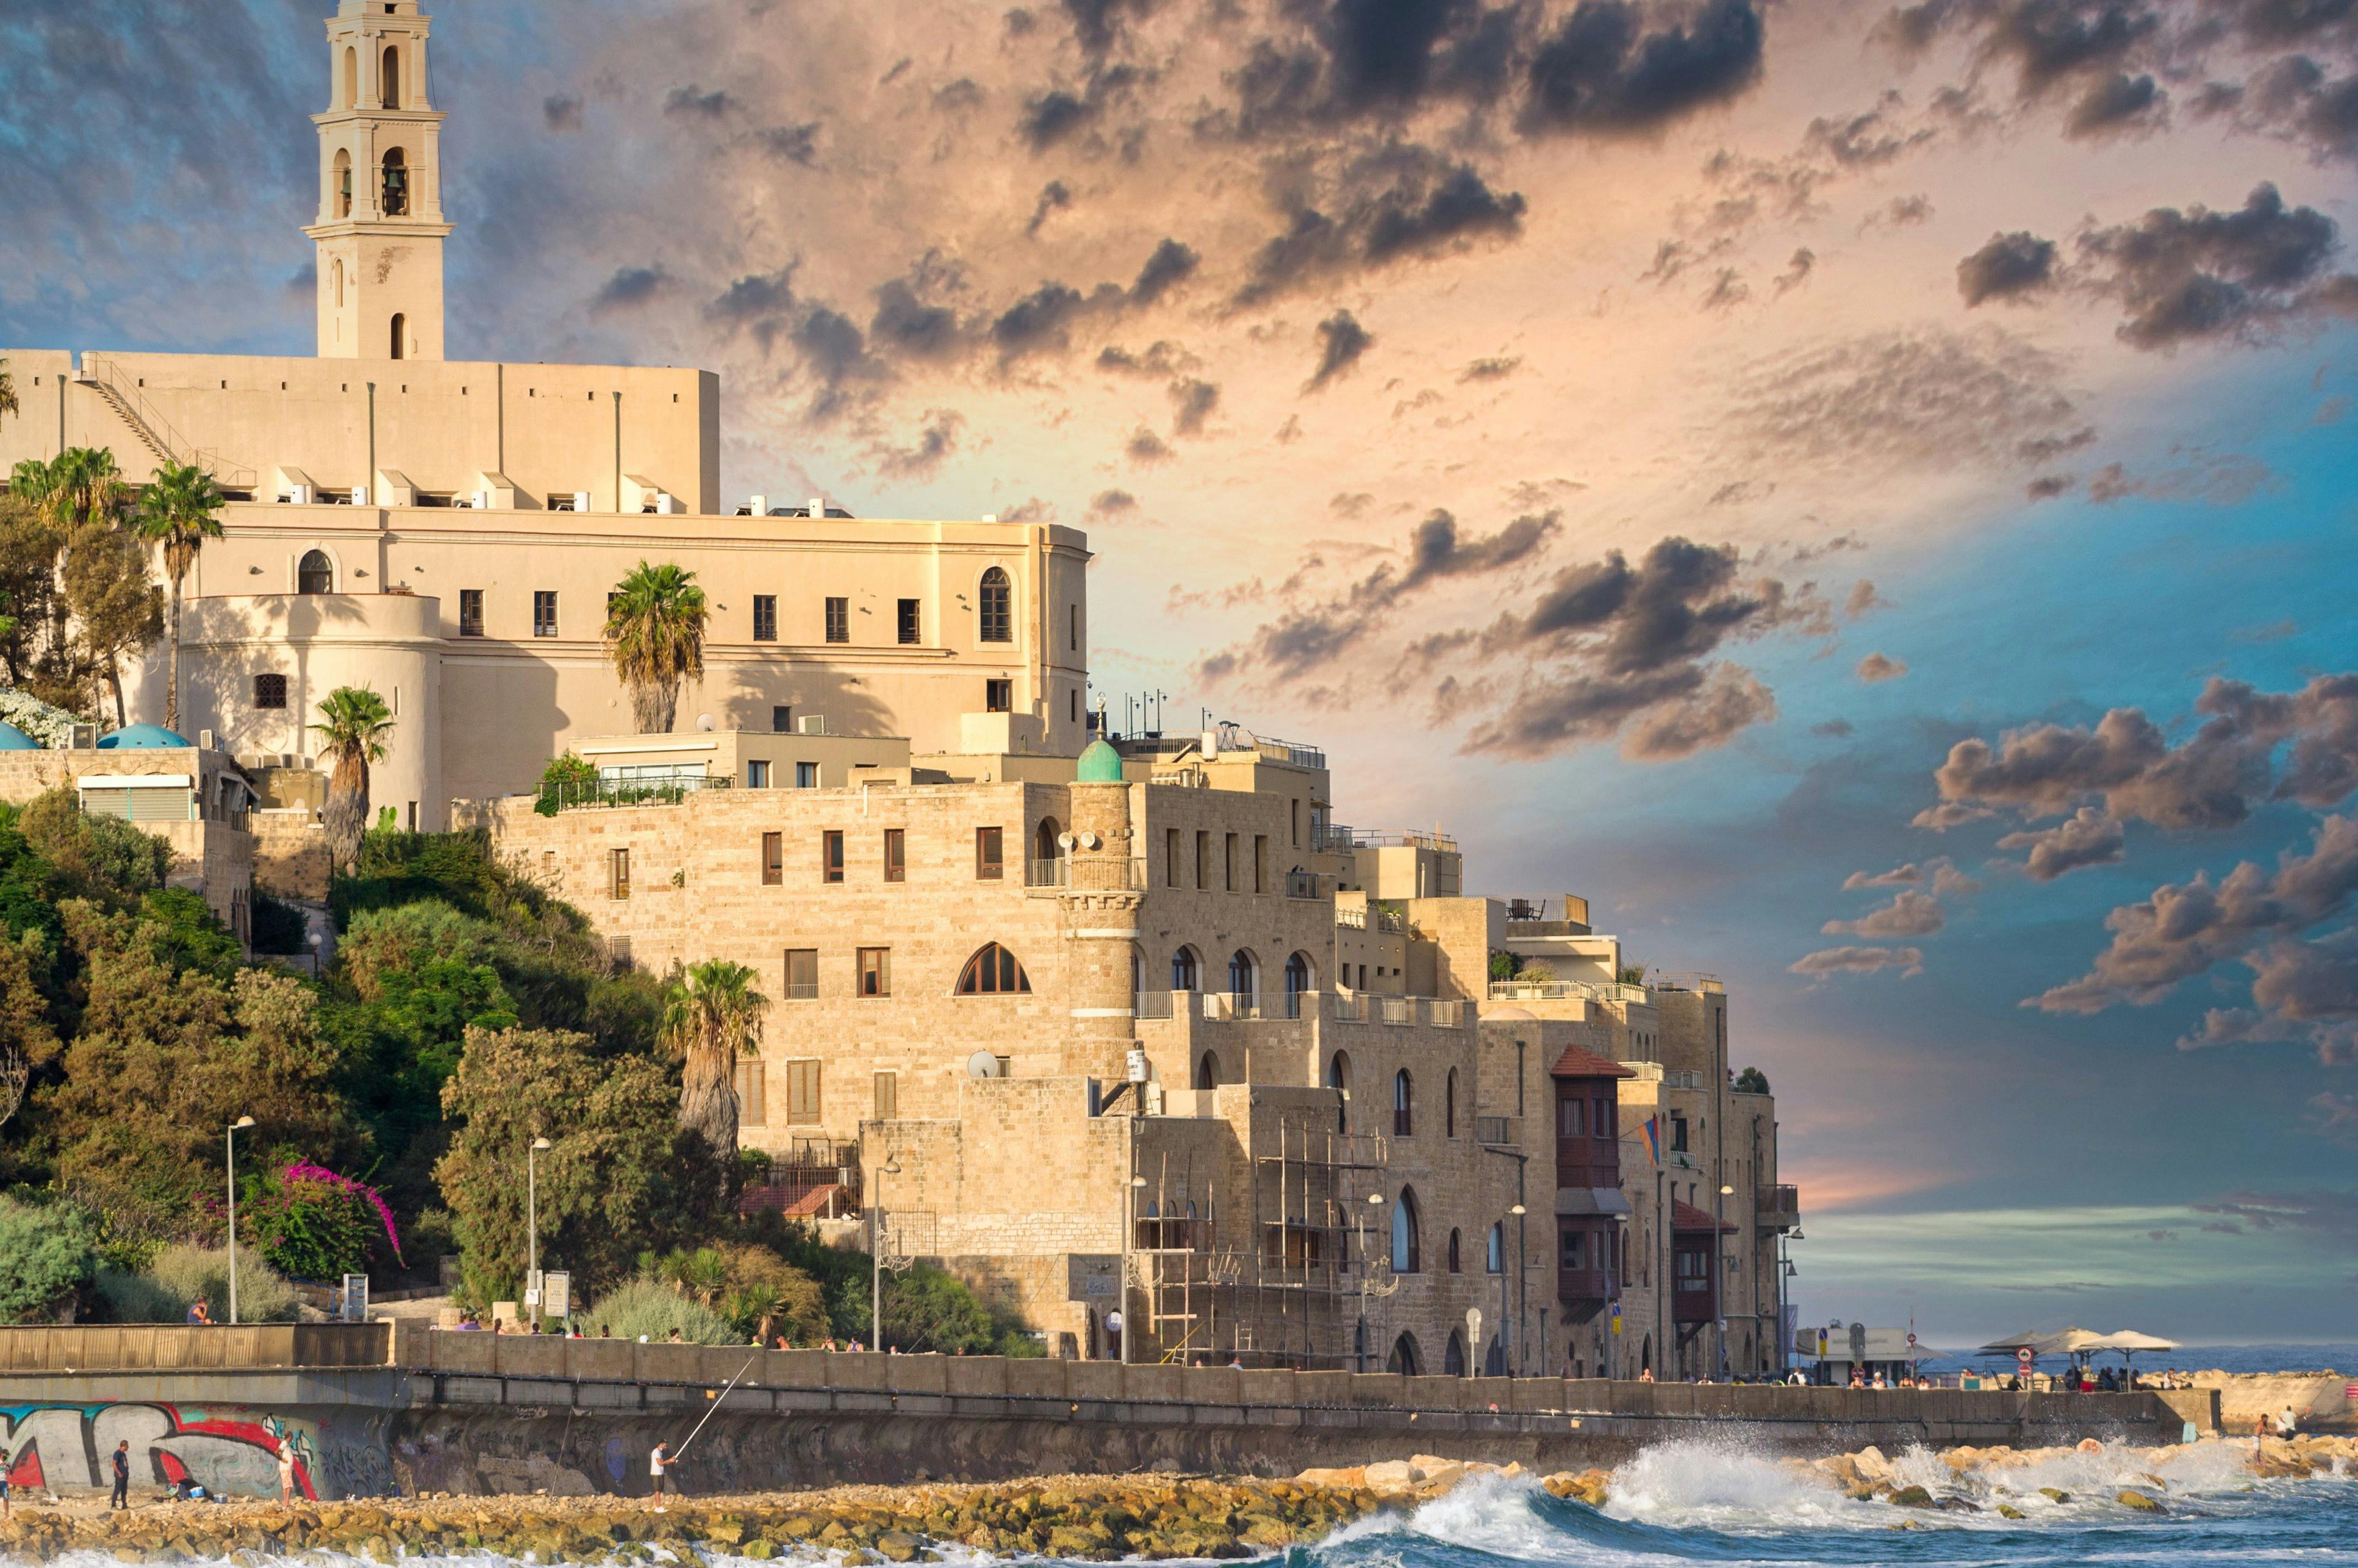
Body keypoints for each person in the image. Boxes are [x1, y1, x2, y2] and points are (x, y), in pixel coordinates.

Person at [648, 1440, 674, 1511]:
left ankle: (659, 1506)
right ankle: (658, 1507)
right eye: (665, 1444)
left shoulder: (659, 1452)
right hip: (657, 1473)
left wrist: (670, 1461)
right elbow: (660, 1463)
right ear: (661, 1444)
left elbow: (662, 1463)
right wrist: (669, 1460)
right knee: (658, 1490)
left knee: (659, 1490)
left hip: (660, 1473)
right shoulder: (656, 1452)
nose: (666, 1446)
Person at [109, 1441, 131, 1510]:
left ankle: (124, 1505)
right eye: (127, 1446)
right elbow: (114, 1464)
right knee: (117, 1490)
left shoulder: (123, 1454)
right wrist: (119, 1473)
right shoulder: (117, 1453)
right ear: (124, 1446)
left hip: (125, 1475)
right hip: (120, 1476)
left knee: (124, 1491)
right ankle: (113, 1506)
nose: (128, 1447)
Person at [276, 1437, 298, 1504]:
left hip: (286, 1468)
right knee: (289, 1485)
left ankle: (285, 1502)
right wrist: (282, 1459)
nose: (292, 1440)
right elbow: (277, 1452)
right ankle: (287, 1501)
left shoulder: (286, 1444)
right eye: (292, 1438)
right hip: (286, 1468)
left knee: (286, 1485)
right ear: (290, 1437)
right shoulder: (284, 1443)